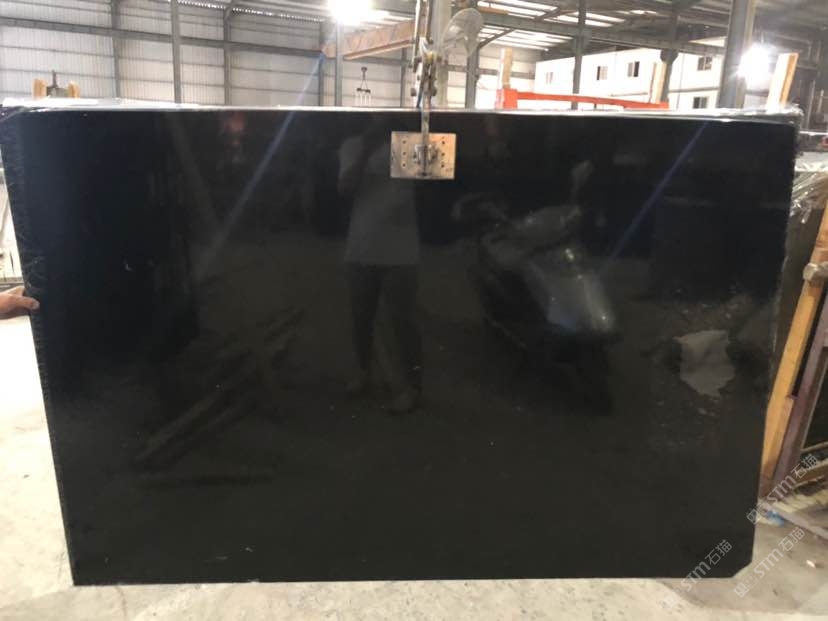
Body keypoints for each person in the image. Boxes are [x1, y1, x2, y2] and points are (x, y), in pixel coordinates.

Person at [338, 126, 423, 413]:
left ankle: (412, 386)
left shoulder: (410, 142)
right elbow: (344, 188)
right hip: (362, 246)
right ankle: (363, 372)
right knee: (361, 317)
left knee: (403, 322)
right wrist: (366, 150)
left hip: (402, 250)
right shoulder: (353, 144)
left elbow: (431, 187)